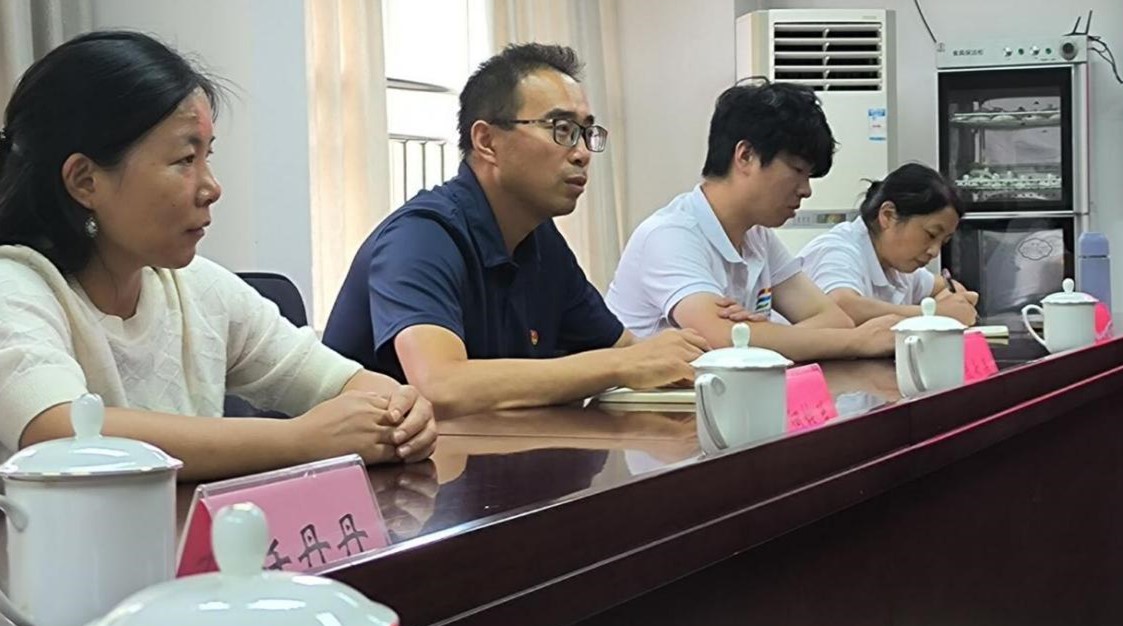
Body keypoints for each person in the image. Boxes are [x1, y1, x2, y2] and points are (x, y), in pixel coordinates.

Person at [0, 31, 436, 481]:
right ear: (85, 181)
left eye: (207, 156)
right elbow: (59, 432)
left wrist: (399, 410)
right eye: (185, 160)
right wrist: (299, 440)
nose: (211, 187)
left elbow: (338, 381)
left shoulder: (199, 287)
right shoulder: (14, 288)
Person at [324, 43, 708, 418]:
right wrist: (620, 365)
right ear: (487, 141)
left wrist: (677, 360)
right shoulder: (420, 237)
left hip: (494, 453)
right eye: (561, 129)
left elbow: (623, 350)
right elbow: (440, 386)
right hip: (373, 460)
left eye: (586, 132)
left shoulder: (540, 240)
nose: (582, 153)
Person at [606, 79, 897, 362]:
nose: (806, 190)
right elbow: (722, 340)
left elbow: (835, 320)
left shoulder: (757, 237)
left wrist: (757, 335)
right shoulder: (670, 235)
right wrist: (859, 341)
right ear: (745, 156)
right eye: (797, 170)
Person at [798, 162, 978, 325]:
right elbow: (841, 307)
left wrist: (954, 301)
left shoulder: (897, 267)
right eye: (931, 235)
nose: (935, 251)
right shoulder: (838, 250)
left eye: (944, 242)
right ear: (888, 215)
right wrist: (934, 314)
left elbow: (944, 286)